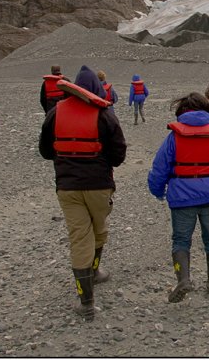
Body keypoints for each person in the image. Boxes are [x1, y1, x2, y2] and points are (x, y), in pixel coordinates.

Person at [39, 65, 127, 321]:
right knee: (99, 230)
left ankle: (86, 301)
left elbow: (45, 151)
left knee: (80, 238)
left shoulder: (55, 113)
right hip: (99, 186)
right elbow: (119, 155)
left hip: (68, 188)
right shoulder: (105, 114)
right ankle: (95, 272)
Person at [148, 92, 209, 303]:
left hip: (182, 198)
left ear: (181, 112)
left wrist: (157, 191)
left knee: (181, 240)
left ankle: (184, 280)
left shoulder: (173, 137)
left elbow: (159, 168)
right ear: (206, 110)